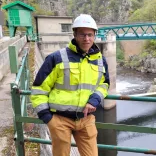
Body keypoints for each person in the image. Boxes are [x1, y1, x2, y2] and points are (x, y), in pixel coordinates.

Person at [30, 14, 110, 156]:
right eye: (82, 34)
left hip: (86, 120)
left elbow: (104, 84)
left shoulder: (100, 60)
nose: (86, 39)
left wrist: (95, 99)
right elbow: (38, 89)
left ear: (94, 35)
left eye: (90, 35)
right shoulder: (57, 58)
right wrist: (47, 117)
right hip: (60, 120)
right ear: (74, 34)